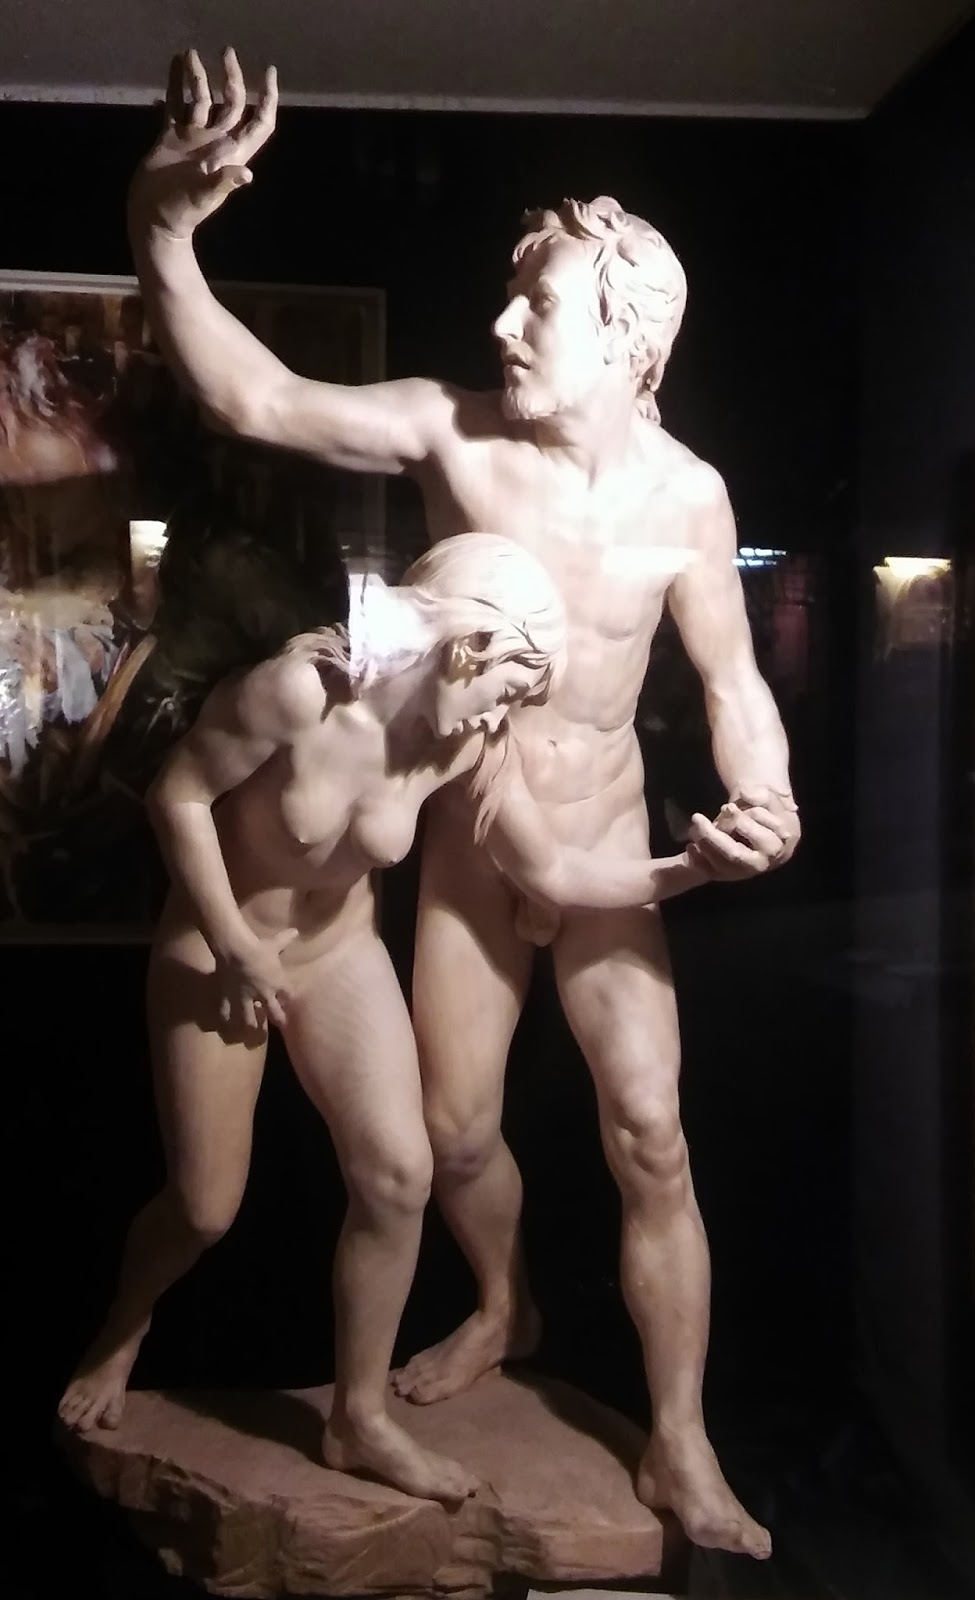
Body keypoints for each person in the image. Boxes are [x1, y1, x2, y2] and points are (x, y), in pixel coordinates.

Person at [122, 49, 800, 1556]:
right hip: (468, 838)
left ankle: (680, 1442)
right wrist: (161, 234)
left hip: (602, 825)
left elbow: (732, 677)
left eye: (536, 306)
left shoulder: (686, 497)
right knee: (453, 1129)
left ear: (626, 339)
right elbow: (253, 394)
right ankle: (504, 1303)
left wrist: (762, 791)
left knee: (649, 1128)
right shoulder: (451, 430)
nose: (502, 326)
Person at [57, 532, 713, 1505]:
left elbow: (553, 870)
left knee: (402, 1175)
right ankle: (123, 1328)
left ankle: (357, 1418)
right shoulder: (301, 693)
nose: (502, 716)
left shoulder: (468, 744)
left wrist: (690, 870)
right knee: (204, 1208)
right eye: (506, 689)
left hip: (337, 952)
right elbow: (179, 797)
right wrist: (232, 938)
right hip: (219, 939)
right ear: (467, 650)